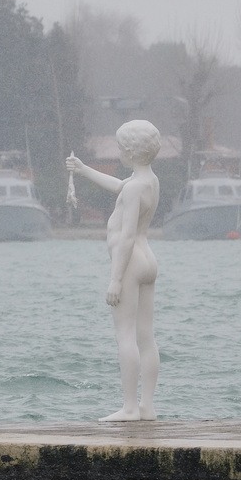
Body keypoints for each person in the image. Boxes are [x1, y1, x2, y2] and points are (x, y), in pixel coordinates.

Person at [66, 119, 162, 421]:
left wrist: (115, 279)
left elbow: (126, 236)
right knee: (146, 336)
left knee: (125, 335)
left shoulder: (134, 189)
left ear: (130, 151)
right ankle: (147, 406)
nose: (119, 152)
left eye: (121, 148)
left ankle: (130, 407)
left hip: (130, 262)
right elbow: (120, 185)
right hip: (148, 259)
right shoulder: (148, 181)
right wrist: (83, 170)